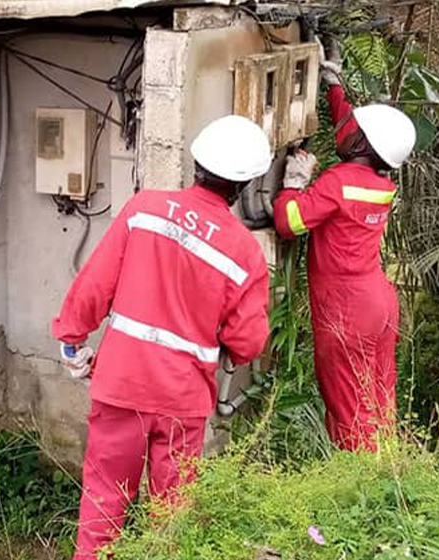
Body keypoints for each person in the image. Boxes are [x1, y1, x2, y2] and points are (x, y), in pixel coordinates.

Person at [52, 115, 273, 560]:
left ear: (196, 164)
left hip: (122, 386)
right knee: (172, 517)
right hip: (182, 400)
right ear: (245, 184)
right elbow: (248, 341)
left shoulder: (144, 209)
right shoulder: (245, 252)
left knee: (104, 505)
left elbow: (94, 286)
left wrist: (72, 340)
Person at [272, 39, 417, 452]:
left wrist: (293, 185)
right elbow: (354, 131)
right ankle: (386, 471)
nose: (346, 126)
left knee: (346, 402)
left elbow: (288, 223)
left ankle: (361, 486)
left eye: (354, 129)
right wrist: (334, 84)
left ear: (364, 145)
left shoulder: (338, 183)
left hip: (345, 310)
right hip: (377, 303)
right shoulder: (379, 184)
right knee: (377, 397)